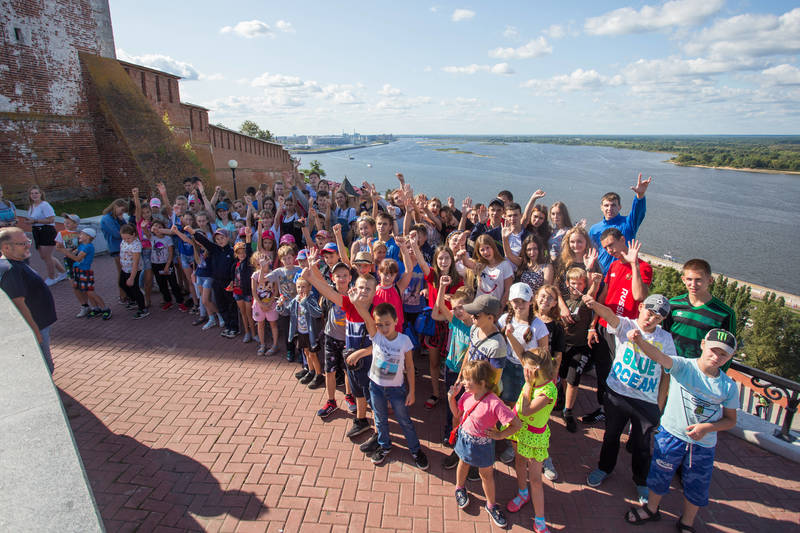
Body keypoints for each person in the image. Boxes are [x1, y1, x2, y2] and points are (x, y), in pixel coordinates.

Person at [623, 328, 739, 533]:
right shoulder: (684, 367)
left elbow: (730, 420)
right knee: (660, 474)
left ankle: (687, 521)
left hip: (702, 446)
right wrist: (639, 341)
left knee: (697, 485)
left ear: (730, 357)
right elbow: (659, 356)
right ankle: (651, 508)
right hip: (671, 436)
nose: (716, 357)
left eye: (723, 354)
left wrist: (707, 428)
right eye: (713, 350)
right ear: (703, 345)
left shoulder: (728, 386)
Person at [582, 292, 675, 504]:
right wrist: (594, 304)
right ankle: (604, 468)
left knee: (642, 445)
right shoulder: (626, 325)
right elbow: (610, 315)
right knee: (611, 436)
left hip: (646, 402)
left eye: (657, 318)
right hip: (618, 394)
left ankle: (641, 481)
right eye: (649, 313)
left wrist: (659, 407)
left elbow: (666, 375)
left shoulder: (665, 339)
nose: (650, 319)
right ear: (641, 307)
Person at [347, 301, 430, 469]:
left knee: (404, 420)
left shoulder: (404, 341)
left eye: (387, 324)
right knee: (379, 418)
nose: (384, 329)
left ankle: (415, 450)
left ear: (396, 321)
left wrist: (412, 391)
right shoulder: (376, 336)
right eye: (379, 325)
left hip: (396, 390)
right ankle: (384, 445)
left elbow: (410, 367)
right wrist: (357, 301)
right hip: (376, 387)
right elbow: (366, 317)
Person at [583, 233, 652, 424]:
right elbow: (603, 297)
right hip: (605, 327)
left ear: (623, 240)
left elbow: (639, 296)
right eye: (606, 247)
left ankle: (624, 413)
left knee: (624, 372)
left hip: (626, 331)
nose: (610, 250)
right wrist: (592, 325)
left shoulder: (643, 267)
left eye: (612, 245)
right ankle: (605, 408)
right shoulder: (613, 266)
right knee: (604, 371)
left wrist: (634, 264)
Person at [448, 359, 522, 528]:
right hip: (465, 439)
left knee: (486, 475)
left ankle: (491, 504)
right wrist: (450, 399)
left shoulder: (495, 403)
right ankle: (459, 488)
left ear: (482, 383)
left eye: (468, 380)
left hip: (484, 445)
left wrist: (500, 435)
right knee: (463, 463)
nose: (464, 383)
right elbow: (458, 415)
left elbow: (516, 424)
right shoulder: (467, 395)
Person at [504, 350, 558, 533]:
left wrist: (527, 384)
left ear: (535, 370)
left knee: (535, 479)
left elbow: (526, 410)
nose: (523, 368)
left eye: (526, 366)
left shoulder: (548, 391)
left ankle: (540, 520)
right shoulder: (533, 380)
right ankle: (522, 493)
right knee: (519, 462)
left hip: (534, 437)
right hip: (519, 430)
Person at [0, 227, 58, 373]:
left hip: (40, 324)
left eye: (28, 241)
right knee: (45, 367)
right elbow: (18, 303)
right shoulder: (10, 270)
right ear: (6, 247)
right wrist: (35, 331)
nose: (28, 245)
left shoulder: (17, 262)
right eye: (22, 243)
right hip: (35, 326)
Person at [664, 259, 737, 371]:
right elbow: (664, 335)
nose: (693, 285)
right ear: (683, 279)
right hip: (670, 365)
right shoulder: (673, 304)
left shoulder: (725, 313)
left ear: (710, 280)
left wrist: (718, 376)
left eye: (698, 280)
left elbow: (728, 349)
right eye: (689, 279)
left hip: (699, 372)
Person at [560, 267, 601, 432]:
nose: (576, 286)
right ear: (567, 283)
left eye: (580, 283)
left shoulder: (584, 300)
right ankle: (566, 402)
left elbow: (590, 295)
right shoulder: (564, 299)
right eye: (573, 283)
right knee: (563, 375)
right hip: (565, 345)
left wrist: (596, 283)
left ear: (584, 285)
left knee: (573, 378)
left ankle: (568, 411)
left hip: (580, 346)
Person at [589, 173, 651, 273]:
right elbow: (592, 252)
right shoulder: (594, 229)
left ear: (619, 207)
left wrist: (640, 196)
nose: (609, 209)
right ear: (601, 207)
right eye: (606, 205)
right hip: (601, 274)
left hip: (623, 272)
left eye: (613, 205)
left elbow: (638, 212)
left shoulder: (628, 223)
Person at [186, 227, 238, 337]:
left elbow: (235, 269)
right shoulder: (215, 249)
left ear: (227, 238)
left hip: (229, 283)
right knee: (221, 305)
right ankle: (228, 326)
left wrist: (233, 281)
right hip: (217, 282)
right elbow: (205, 241)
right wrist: (193, 232)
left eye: (222, 238)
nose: (220, 241)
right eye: (218, 239)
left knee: (231, 306)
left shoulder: (233, 252)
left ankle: (234, 328)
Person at [56, 227, 111, 320]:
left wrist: (62, 250)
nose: (79, 235)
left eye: (81, 234)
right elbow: (72, 251)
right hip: (79, 270)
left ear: (88, 237)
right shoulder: (81, 245)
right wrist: (64, 247)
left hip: (85, 272)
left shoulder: (88, 247)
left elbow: (77, 258)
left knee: (90, 292)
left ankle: (105, 309)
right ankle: (95, 308)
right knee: (86, 291)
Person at [279, 276, 325, 389]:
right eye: (298, 287)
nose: (301, 289)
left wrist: (305, 303)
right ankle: (311, 371)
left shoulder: (311, 299)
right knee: (306, 352)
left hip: (311, 334)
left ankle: (319, 375)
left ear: (310, 287)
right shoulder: (295, 300)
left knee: (313, 354)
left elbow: (318, 313)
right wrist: (280, 306)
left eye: (303, 287)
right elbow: (287, 312)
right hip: (301, 331)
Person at [20, 185, 65, 285]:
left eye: (36, 193)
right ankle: (63, 272)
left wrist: (35, 220)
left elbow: (51, 219)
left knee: (47, 256)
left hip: (47, 231)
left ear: (41, 194)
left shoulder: (45, 205)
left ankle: (52, 277)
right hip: (37, 231)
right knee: (44, 256)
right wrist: (30, 222)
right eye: (32, 193)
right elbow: (33, 219)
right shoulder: (32, 206)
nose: (34, 195)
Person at [458, 234, 514, 306]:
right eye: (482, 250)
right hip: (478, 306)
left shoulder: (505, 265)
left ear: (493, 247)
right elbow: (466, 263)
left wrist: (500, 309)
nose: (485, 252)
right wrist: (462, 246)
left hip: (495, 307)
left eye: (488, 248)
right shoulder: (480, 265)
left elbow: (507, 291)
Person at [251, 251, 280, 356]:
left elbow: (276, 291)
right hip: (259, 304)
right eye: (259, 263)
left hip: (271, 304)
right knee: (260, 324)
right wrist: (261, 304)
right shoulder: (255, 275)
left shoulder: (273, 273)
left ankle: (275, 345)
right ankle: (262, 344)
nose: (262, 264)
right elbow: (254, 291)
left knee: (273, 324)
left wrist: (270, 302)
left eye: (264, 261)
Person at [101, 198, 129, 302]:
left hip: (123, 247)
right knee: (121, 272)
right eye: (122, 210)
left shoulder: (117, 218)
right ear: (116, 206)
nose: (122, 213)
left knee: (125, 271)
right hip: (116, 248)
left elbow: (127, 229)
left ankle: (126, 293)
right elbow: (117, 234)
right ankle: (123, 295)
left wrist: (122, 220)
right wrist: (122, 222)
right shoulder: (107, 219)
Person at [118, 224, 149, 319]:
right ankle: (133, 300)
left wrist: (132, 277)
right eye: (124, 238)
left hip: (134, 270)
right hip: (125, 269)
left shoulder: (136, 245)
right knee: (122, 284)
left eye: (128, 238)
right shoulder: (124, 242)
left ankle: (142, 309)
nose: (126, 240)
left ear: (134, 234)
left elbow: (135, 263)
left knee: (135, 288)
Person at [55, 214, 81, 282]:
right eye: (65, 222)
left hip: (80, 256)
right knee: (71, 276)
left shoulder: (80, 233)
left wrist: (78, 248)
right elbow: (57, 247)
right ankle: (74, 285)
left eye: (68, 223)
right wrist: (66, 249)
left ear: (76, 224)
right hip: (68, 257)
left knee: (80, 274)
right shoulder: (61, 233)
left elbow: (83, 244)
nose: (66, 224)